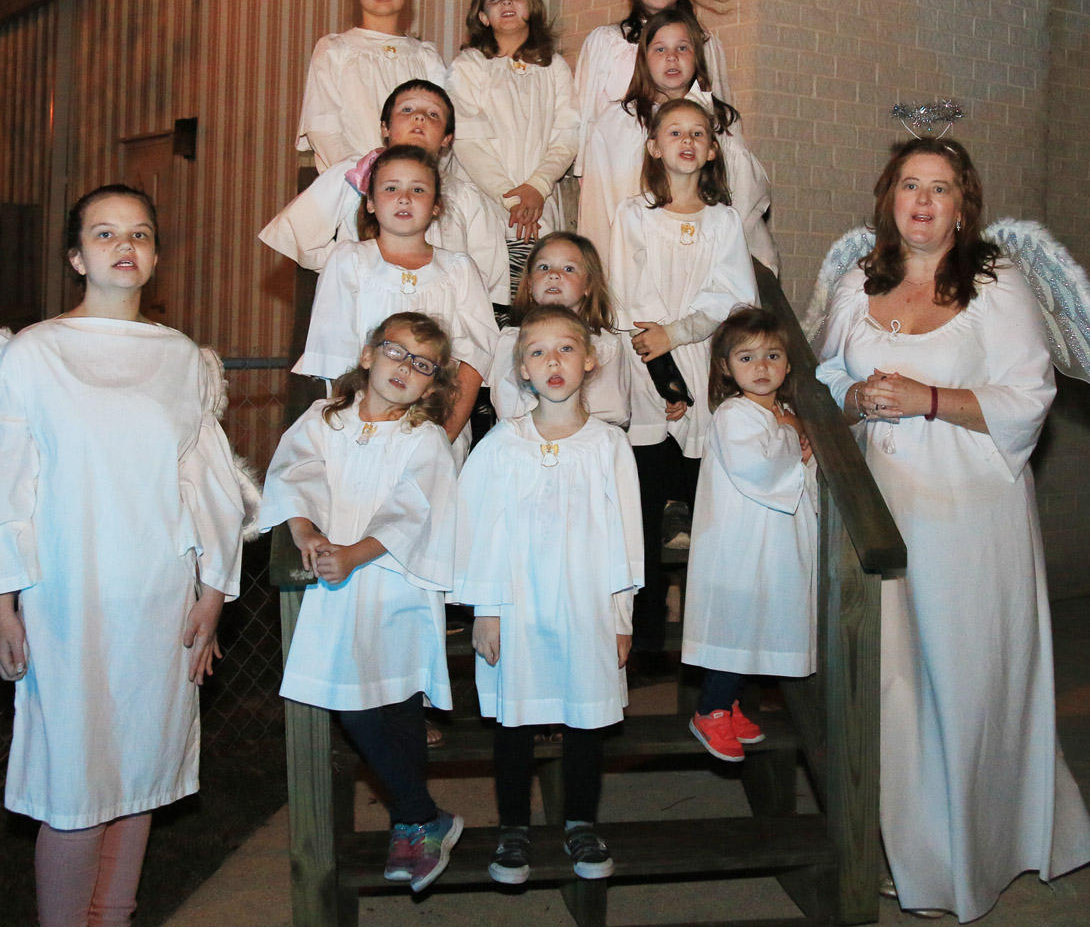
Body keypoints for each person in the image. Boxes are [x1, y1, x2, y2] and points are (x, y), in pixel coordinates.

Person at [815, 137, 1090, 920]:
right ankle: (903, 849)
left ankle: (972, 852)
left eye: (941, 188)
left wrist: (927, 399)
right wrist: (855, 398)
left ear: (963, 205)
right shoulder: (857, 283)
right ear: (888, 197)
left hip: (970, 516)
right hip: (878, 510)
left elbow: (1030, 394)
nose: (924, 202)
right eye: (911, 185)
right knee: (890, 684)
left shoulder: (996, 286)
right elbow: (823, 380)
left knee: (964, 680)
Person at [0, 185, 245, 927]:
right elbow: (9, 479)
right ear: (77, 257)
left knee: (140, 768)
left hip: (158, 596)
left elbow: (207, 479)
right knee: (75, 782)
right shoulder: (35, 352)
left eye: (139, 233)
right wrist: (4, 597)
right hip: (66, 596)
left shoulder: (181, 359)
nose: (124, 246)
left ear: (156, 255)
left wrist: (212, 590)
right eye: (104, 233)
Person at [261, 312, 463, 893]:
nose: (405, 368)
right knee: (353, 703)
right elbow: (296, 472)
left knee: (398, 704)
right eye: (396, 352)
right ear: (369, 355)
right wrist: (305, 532)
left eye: (422, 364)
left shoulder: (424, 439)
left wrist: (355, 553)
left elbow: (413, 509)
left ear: (432, 383)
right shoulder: (326, 419)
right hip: (338, 587)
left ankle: (411, 822)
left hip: (395, 584)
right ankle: (422, 815)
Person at [454, 305, 643, 885]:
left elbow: (627, 535)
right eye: (537, 352)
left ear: (589, 361)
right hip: (516, 604)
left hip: (586, 605)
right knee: (514, 722)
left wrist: (621, 616)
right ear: (521, 369)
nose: (552, 361)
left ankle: (580, 823)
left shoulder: (609, 445)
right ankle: (514, 829)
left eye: (565, 348)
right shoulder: (502, 444)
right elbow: (475, 527)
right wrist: (486, 610)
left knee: (585, 718)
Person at [610, 98, 758, 651]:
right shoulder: (633, 215)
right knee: (644, 513)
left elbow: (734, 297)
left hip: (701, 370)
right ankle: (645, 641)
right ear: (654, 146)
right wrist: (664, 379)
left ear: (713, 149)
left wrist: (679, 334)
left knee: (708, 513)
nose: (687, 141)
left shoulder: (723, 221)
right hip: (647, 371)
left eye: (698, 133)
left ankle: (713, 643)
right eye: (674, 132)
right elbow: (629, 300)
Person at [293, 144, 498, 464]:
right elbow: (335, 360)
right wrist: (356, 436)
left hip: (436, 434)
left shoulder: (460, 270)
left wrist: (442, 438)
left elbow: (475, 359)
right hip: (360, 439)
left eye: (418, 189)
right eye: (391, 188)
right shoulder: (349, 261)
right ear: (370, 202)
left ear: (436, 205)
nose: (404, 198)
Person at [682, 306, 816, 762]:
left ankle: (731, 703)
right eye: (747, 357)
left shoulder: (784, 412)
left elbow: (799, 467)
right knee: (736, 627)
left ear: (788, 363)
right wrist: (790, 434)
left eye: (772, 355)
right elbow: (760, 468)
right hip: (739, 545)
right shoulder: (733, 414)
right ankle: (710, 710)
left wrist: (797, 437)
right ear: (726, 367)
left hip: (774, 543)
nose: (761, 366)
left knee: (757, 623)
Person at [261, 79, 509, 305]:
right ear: (385, 128)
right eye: (407, 110)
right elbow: (297, 233)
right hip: (367, 311)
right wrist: (343, 268)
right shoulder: (353, 175)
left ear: (447, 138)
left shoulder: (465, 197)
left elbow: (487, 279)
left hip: (442, 318)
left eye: (433, 114)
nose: (419, 117)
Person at [579, 7, 775, 272]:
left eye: (682, 48)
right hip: (637, 260)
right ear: (644, 59)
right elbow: (597, 209)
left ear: (697, 57)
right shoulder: (618, 122)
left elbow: (743, 194)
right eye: (660, 49)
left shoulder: (719, 120)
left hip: (707, 256)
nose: (672, 57)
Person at [447, 0, 579, 307]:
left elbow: (566, 135)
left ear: (531, 5)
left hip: (538, 203)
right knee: (483, 302)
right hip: (486, 201)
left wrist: (537, 185)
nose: (507, 2)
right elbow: (467, 140)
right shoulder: (469, 66)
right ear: (483, 16)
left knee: (533, 301)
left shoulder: (554, 67)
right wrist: (511, 199)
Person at [574, 0, 735, 169]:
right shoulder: (607, 41)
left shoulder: (706, 44)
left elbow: (717, 116)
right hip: (619, 168)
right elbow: (584, 115)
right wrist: (586, 171)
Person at [295, 0, 446, 172]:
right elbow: (323, 128)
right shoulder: (335, 50)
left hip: (413, 183)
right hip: (351, 183)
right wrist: (366, 177)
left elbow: (441, 128)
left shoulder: (425, 57)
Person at [488, 231, 630, 427]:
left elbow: (612, 412)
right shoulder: (510, 342)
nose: (554, 275)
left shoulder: (605, 346)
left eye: (568, 268)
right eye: (544, 267)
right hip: (526, 441)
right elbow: (509, 409)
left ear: (588, 285)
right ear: (529, 284)